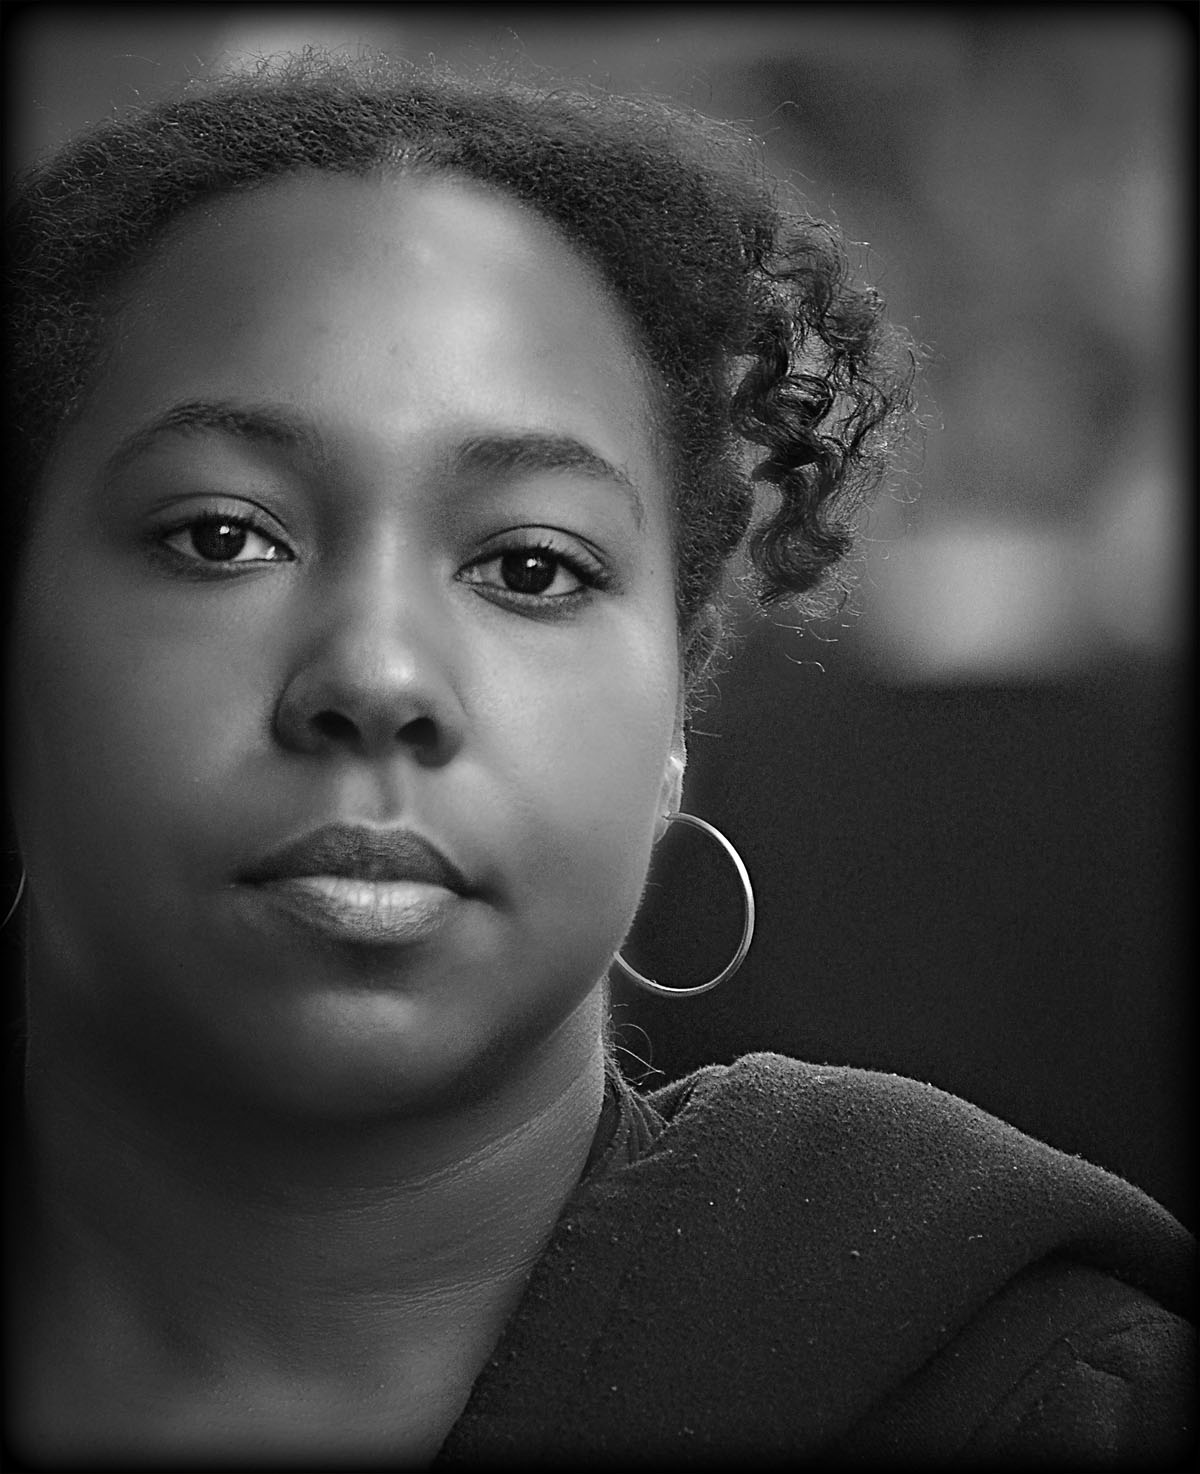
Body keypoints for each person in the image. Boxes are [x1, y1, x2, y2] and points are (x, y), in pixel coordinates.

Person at [2, 52, 1192, 1470]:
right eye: (223, 536)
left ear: (677, 726)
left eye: (530, 566)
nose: (377, 678)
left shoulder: (1048, 1405)